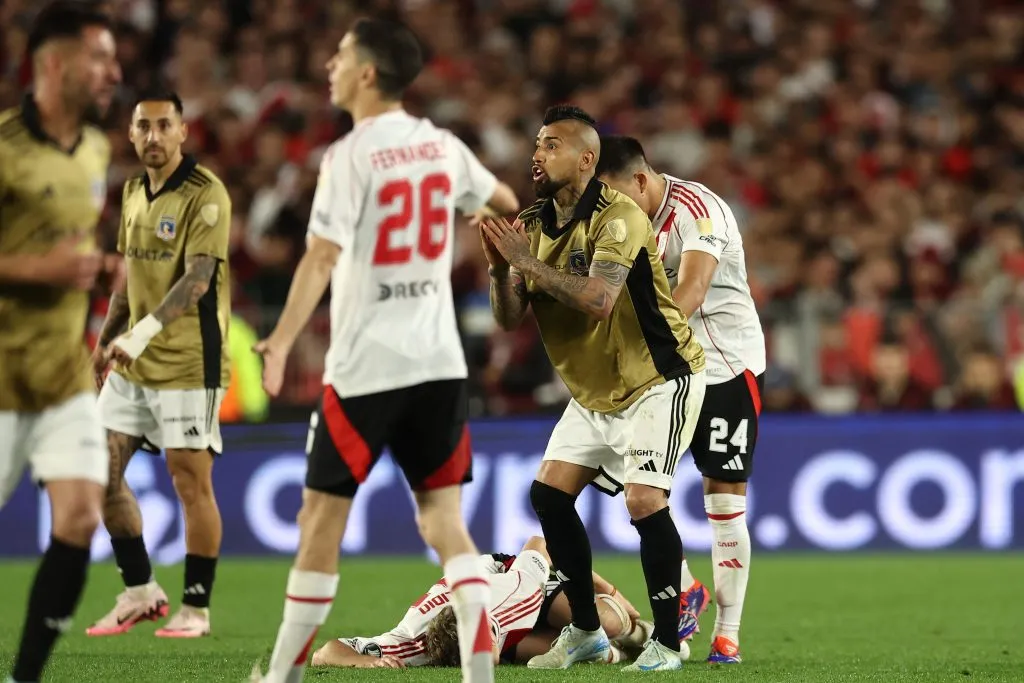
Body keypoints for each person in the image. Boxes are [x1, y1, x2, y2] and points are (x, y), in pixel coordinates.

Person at [249, 17, 519, 683]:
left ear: (368, 73)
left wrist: (280, 340)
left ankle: (280, 676)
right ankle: (478, 674)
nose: (329, 65)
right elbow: (507, 201)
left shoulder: (351, 155)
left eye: (340, 55)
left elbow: (319, 256)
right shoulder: (443, 148)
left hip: (367, 363)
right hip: (438, 361)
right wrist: (474, 224)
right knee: (445, 524)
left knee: (320, 519)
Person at [481, 105, 706, 673]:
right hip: (595, 392)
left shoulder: (619, 215)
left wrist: (527, 264)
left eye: (551, 145)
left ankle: (668, 642)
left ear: (586, 159)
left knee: (643, 500)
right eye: (535, 144)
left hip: (658, 377)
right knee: (549, 497)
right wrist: (498, 271)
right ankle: (584, 629)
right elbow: (509, 318)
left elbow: (600, 301)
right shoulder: (530, 223)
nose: (537, 154)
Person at [597, 135, 766, 664]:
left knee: (724, 500)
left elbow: (690, 292)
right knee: (628, 485)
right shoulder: (617, 220)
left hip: (723, 367)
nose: (608, 209)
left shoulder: (701, 210)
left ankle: (728, 633)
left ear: (640, 180)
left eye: (613, 195)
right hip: (662, 371)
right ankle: (687, 586)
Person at [0, 3, 121, 681]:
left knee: (77, 518)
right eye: (100, 57)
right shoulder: (5, 147)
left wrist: (99, 266)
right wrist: (37, 270)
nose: (115, 70)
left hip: (65, 373)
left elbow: (67, 243)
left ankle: (24, 678)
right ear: (53, 63)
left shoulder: (99, 150)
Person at [87, 91, 233, 638]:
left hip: (188, 362)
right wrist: (104, 343)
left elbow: (197, 281)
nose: (152, 136)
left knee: (189, 482)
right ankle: (139, 590)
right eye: (143, 126)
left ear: (182, 131)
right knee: (98, 470)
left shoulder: (206, 193)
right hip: (132, 362)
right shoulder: (130, 190)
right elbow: (128, 277)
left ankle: (195, 609)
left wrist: (141, 335)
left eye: (163, 125)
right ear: (130, 133)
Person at [308, 537, 664, 670]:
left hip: (507, 575)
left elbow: (541, 543)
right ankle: (617, 653)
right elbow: (326, 652)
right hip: (501, 620)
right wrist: (365, 664)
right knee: (562, 652)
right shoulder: (410, 642)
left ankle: (642, 632)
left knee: (607, 621)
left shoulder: (516, 592)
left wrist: (612, 591)